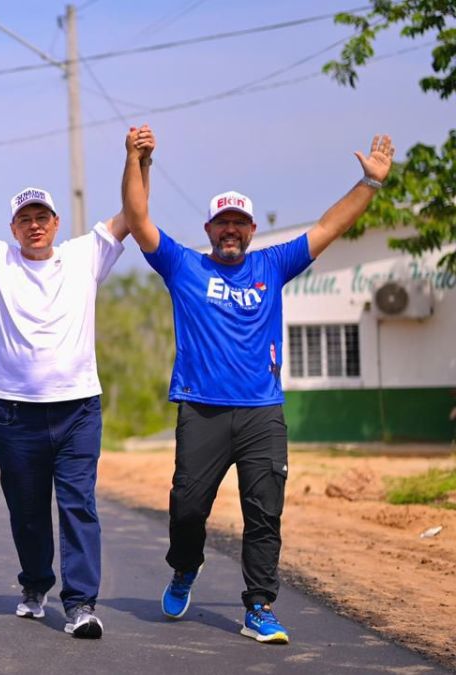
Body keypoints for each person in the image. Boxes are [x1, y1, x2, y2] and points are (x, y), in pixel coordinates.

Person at [121, 126, 395, 644]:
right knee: (187, 508)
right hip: (200, 410)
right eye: (222, 223)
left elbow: (329, 227)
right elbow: (136, 219)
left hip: (261, 412)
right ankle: (185, 567)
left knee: (264, 512)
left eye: (239, 223)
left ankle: (259, 607)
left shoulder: (274, 264)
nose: (231, 230)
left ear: (250, 230)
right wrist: (137, 160)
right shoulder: (183, 266)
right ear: (209, 228)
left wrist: (370, 184)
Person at [0, 132, 154, 639]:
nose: (34, 226)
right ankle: (35, 583)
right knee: (28, 513)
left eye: (42, 218)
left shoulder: (85, 254)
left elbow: (132, 212)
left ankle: (80, 604)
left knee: (79, 505)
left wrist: (138, 159)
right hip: (14, 413)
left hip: (78, 409)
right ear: (14, 227)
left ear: (56, 223)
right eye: (25, 219)